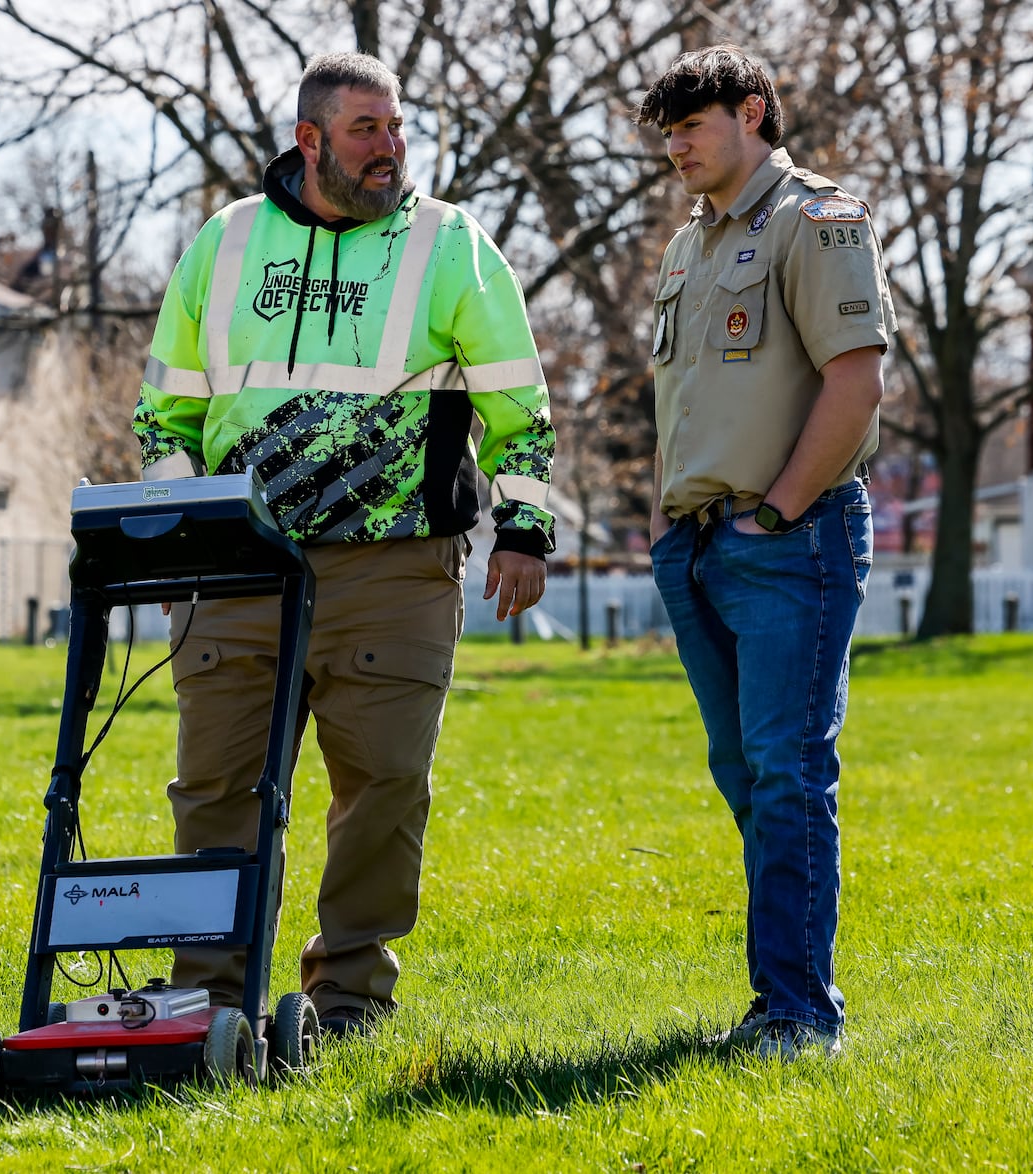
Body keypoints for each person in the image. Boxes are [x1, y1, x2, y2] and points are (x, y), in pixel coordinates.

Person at [133, 52, 556, 1038]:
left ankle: (350, 999)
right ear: (309, 140)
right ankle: (209, 997)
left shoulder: (451, 242)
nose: (390, 147)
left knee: (382, 786)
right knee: (215, 787)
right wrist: (175, 539)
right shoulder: (224, 244)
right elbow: (166, 413)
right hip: (237, 566)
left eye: (397, 126)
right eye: (365, 129)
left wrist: (524, 526)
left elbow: (517, 406)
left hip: (396, 564)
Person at [634, 45, 896, 1060]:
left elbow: (855, 380)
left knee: (787, 772)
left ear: (751, 114)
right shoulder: (686, 247)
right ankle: (776, 997)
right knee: (747, 775)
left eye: (691, 127)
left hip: (791, 539)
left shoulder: (814, 221)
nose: (675, 149)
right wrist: (676, 526)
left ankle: (799, 1014)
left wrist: (780, 511)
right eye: (667, 134)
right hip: (696, 546)